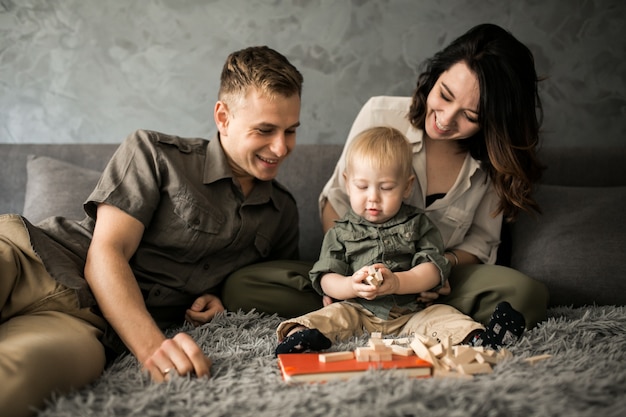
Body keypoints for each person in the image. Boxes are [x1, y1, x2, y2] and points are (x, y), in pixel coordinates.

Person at [0, 45, 304, 417]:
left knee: (17, 384)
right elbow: (105, 255)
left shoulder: (283, 212)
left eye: (290, 131)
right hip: (29, 258)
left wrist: (217, 300)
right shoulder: (155, 154)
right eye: (265, 130)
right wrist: (152, 348)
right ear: (223, 117)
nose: (281, 147)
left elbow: (259, 288)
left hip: (84, 325)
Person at [225, 23, 549, 329]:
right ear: (435, 77)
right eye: (445, 96)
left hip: (440, 285)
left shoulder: (495, 160)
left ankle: (422, 312)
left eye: (470, 115)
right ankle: (354, 310)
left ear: (494, 120)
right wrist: (347, 279)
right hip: (358, 278)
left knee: (525, 295)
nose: (446, 119)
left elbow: (481, 242)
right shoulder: (381, 113)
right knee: (243, 286)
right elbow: (337, 200)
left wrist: (435, 273)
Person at [275, 127, 525, 355]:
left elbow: (432, 269)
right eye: (362, 187)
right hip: (358, 309)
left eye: (385, 188)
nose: (373, 198)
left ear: (407, 187)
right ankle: (299, 337)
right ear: (348, 183)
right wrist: (350, 286)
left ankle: (480, 338)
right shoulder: (340, 232)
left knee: (445, 316)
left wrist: (397, 282)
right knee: (331, 316)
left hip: (412, 311)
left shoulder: (418, 224)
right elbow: (326, 277)